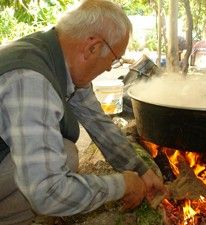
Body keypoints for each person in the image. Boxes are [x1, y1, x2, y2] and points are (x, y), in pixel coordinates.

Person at [0, 0, 165, 224]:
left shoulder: (54, 56)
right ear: (92, 47)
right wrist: (121, 185)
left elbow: (98, 123)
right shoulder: (31, 81)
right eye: (114, 60)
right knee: (65, 156)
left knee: (62, 152)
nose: (109, 68)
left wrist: (138, 169)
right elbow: (48, 191)